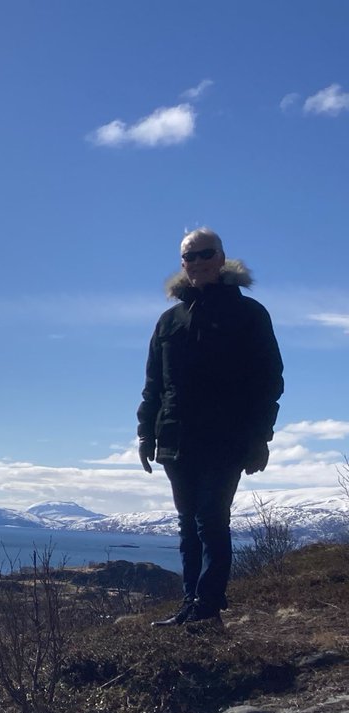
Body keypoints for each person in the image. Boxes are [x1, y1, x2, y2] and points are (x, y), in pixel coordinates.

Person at [137, 228, 284, 626]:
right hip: (176, 439)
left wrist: (259, 438)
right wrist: (146, 433)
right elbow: (154, 385)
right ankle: (191, 604)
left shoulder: (249, 314)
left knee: (210, 518)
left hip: (226, 437)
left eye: (205, 255)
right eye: (190, 257)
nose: (197, 263)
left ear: (221, 258)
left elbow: (269, 380)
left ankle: (209, 608)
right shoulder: (169, 321)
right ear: (182, 264)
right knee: (188, 525)